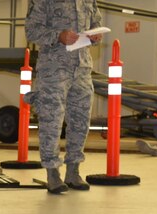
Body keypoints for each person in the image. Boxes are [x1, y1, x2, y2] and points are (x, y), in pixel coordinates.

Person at [25, 0, 103, 194]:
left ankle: (73, 172)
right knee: (51, 121)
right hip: (54, 68)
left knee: (81, 121)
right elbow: (31, 30)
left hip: (82, 68)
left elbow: (95, 22)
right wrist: (58, 36)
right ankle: (52, 173)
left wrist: (95, 34)